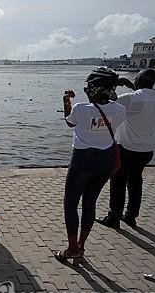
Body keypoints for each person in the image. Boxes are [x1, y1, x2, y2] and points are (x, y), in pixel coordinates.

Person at [54, 67, 126, 263]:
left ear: (94, 88)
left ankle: (71, 248)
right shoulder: (120, 110)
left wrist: (66, 101)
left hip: (82, 161)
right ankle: (81, 247)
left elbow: (70, 123)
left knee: (70, 205)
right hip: (105, 162)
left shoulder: (80, 109)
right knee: (89, 204)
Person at [97, 69, 155, 229]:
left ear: (138, 80)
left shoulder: (131, 98)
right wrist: (133, 87)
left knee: (118, 183)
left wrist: (113, 86)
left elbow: (106, 104)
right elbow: (144, 98)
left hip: (127, 148)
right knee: (135, 181)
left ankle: (113, 218)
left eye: (135, 79)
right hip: (147, 149)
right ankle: (130, 216)